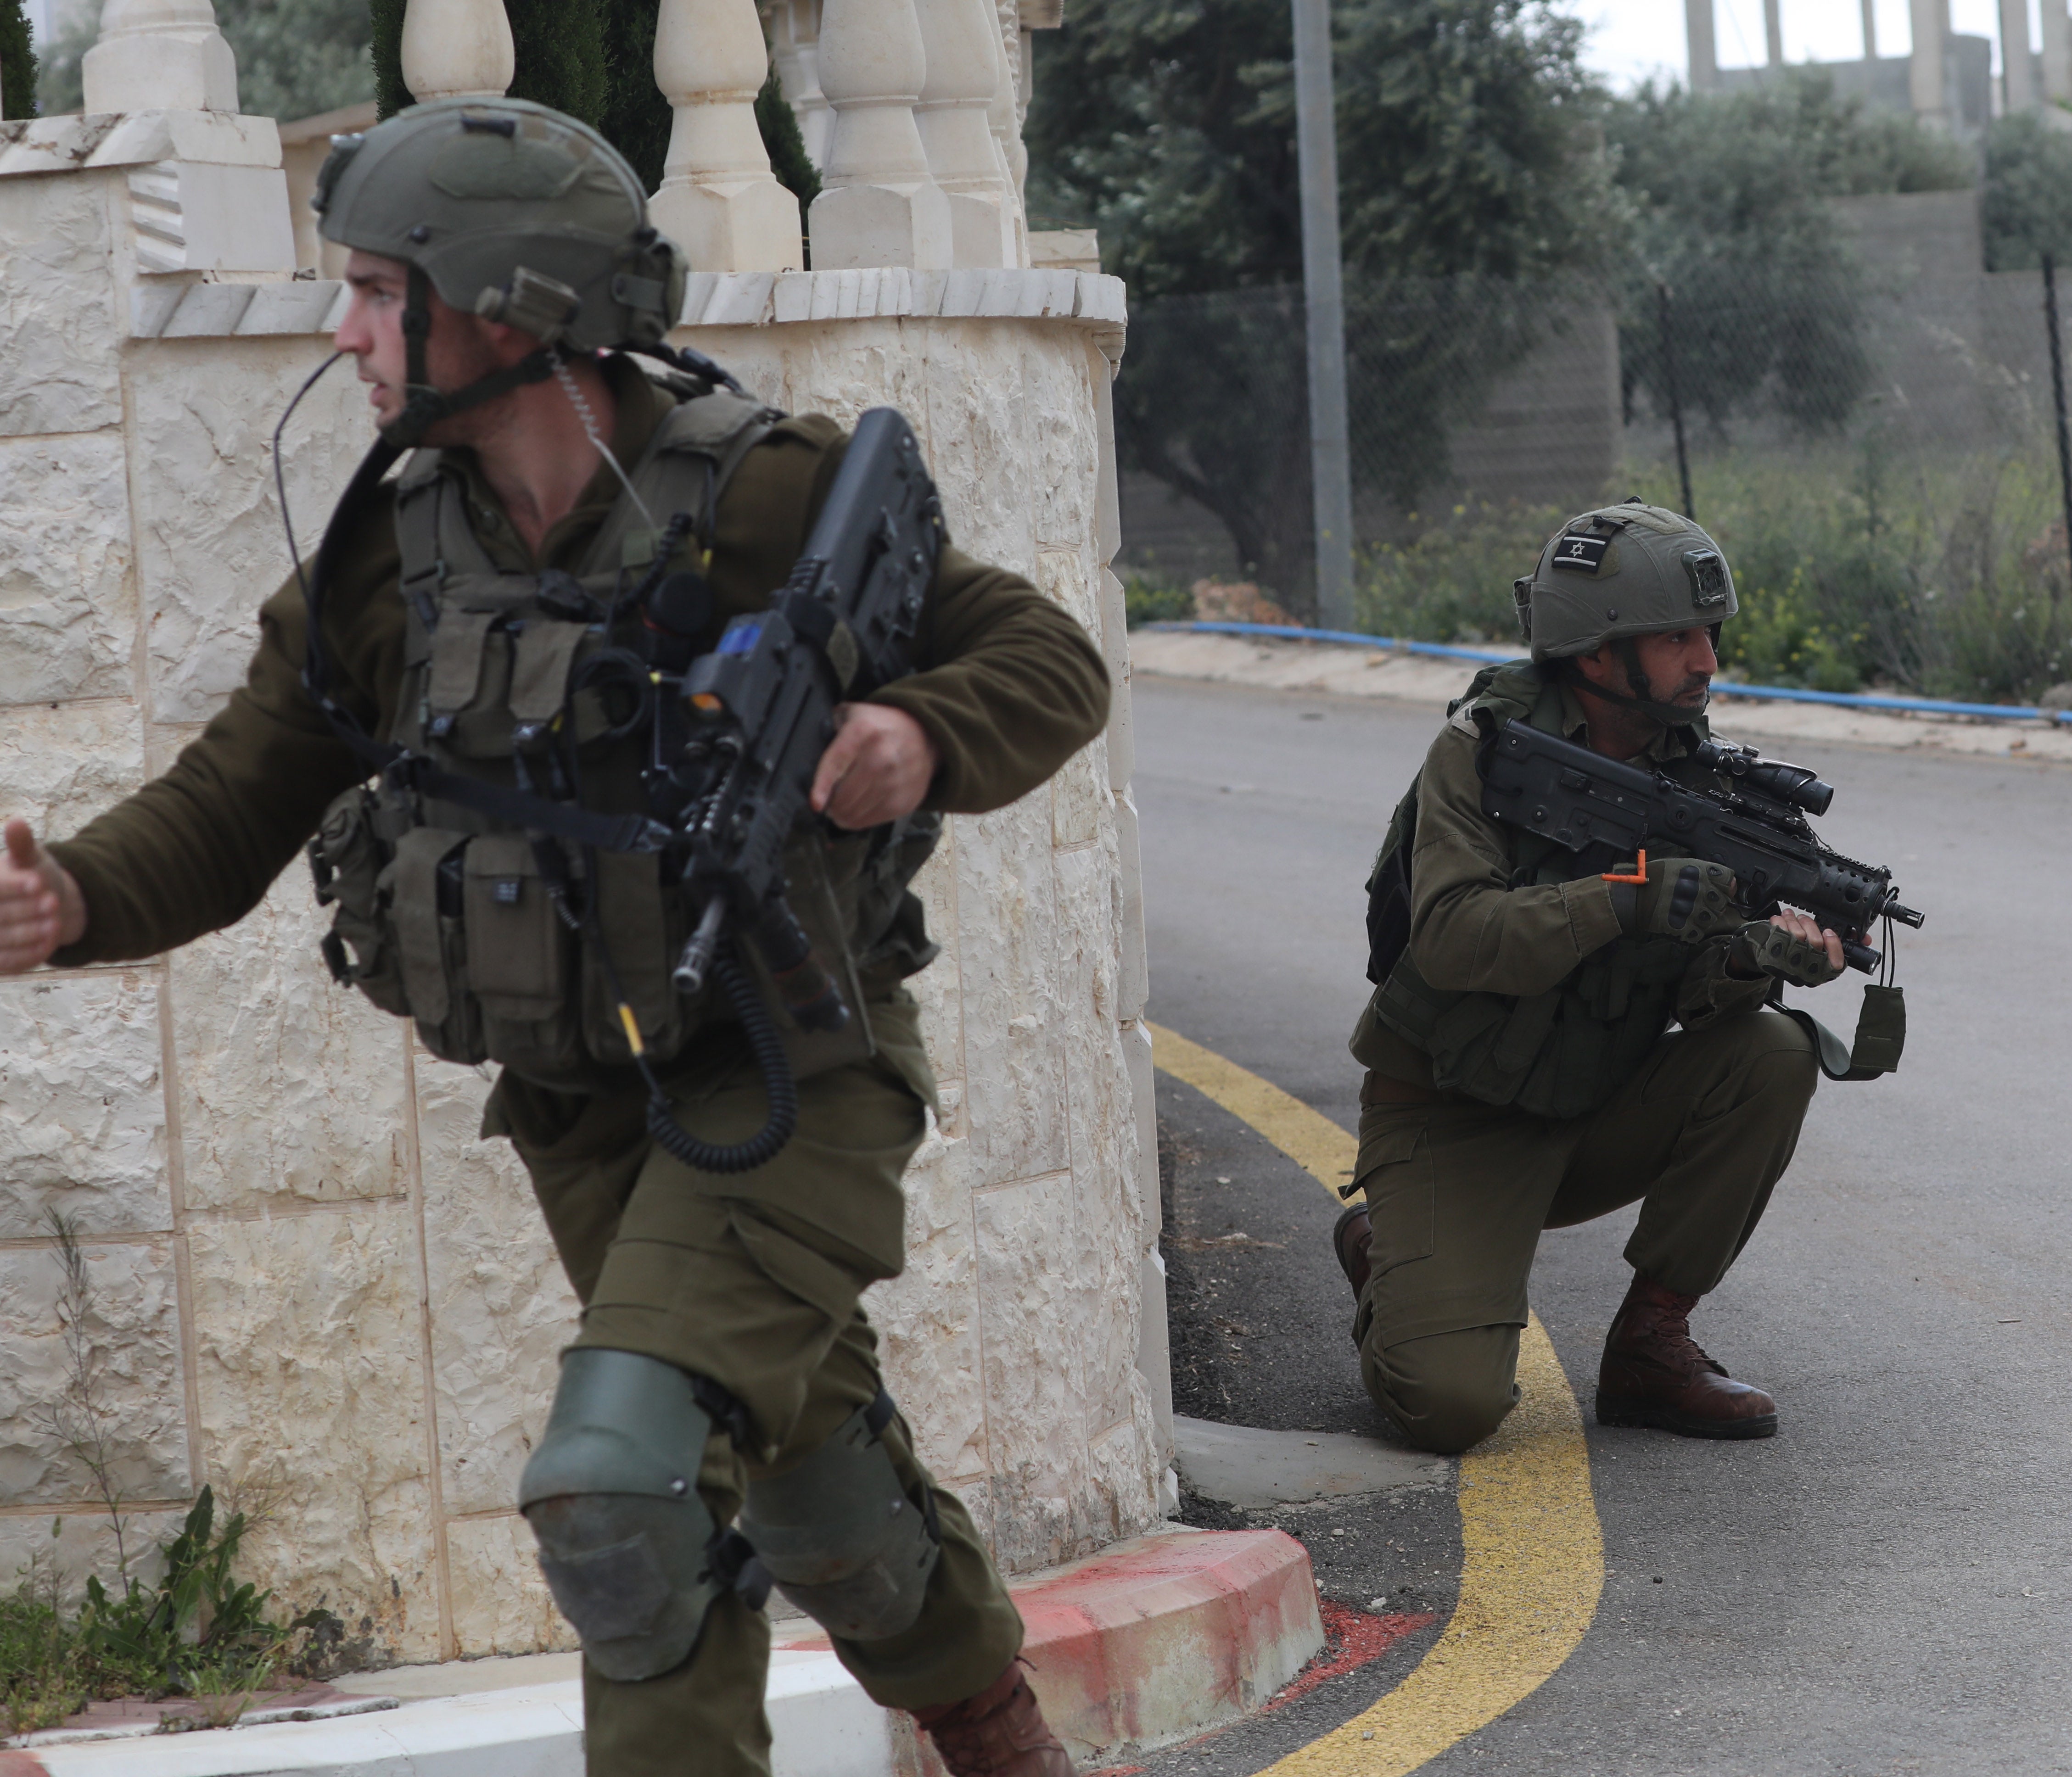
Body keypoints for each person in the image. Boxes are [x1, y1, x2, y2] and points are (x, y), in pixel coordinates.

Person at [0, 99, 1103, 1777]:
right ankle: (996, 1727)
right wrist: (68, 894)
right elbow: (235, 800)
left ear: (500, 307)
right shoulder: (392, 557)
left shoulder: (762, 491)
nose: (347, 331)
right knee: (808, 1473)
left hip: (796, 1072)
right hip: (587, 1117)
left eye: (379, 290)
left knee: (620, 1488)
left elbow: (1043, 657)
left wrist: (920, 733)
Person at [1335, 501, 1844, 1456]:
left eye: (1711, 635)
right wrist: (1624, 898)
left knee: (1773, 1052)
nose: (1708, 662)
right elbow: (1449, 936)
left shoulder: (1705, 789)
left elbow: (1697, 992)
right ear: (1597, 653)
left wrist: (1750, 958)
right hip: (1454, 1115)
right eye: (1679, 638)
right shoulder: (1480, 756)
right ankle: (1385, 1250)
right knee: (1447, 1407)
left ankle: (1653, 1346)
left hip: (1596, 1101)